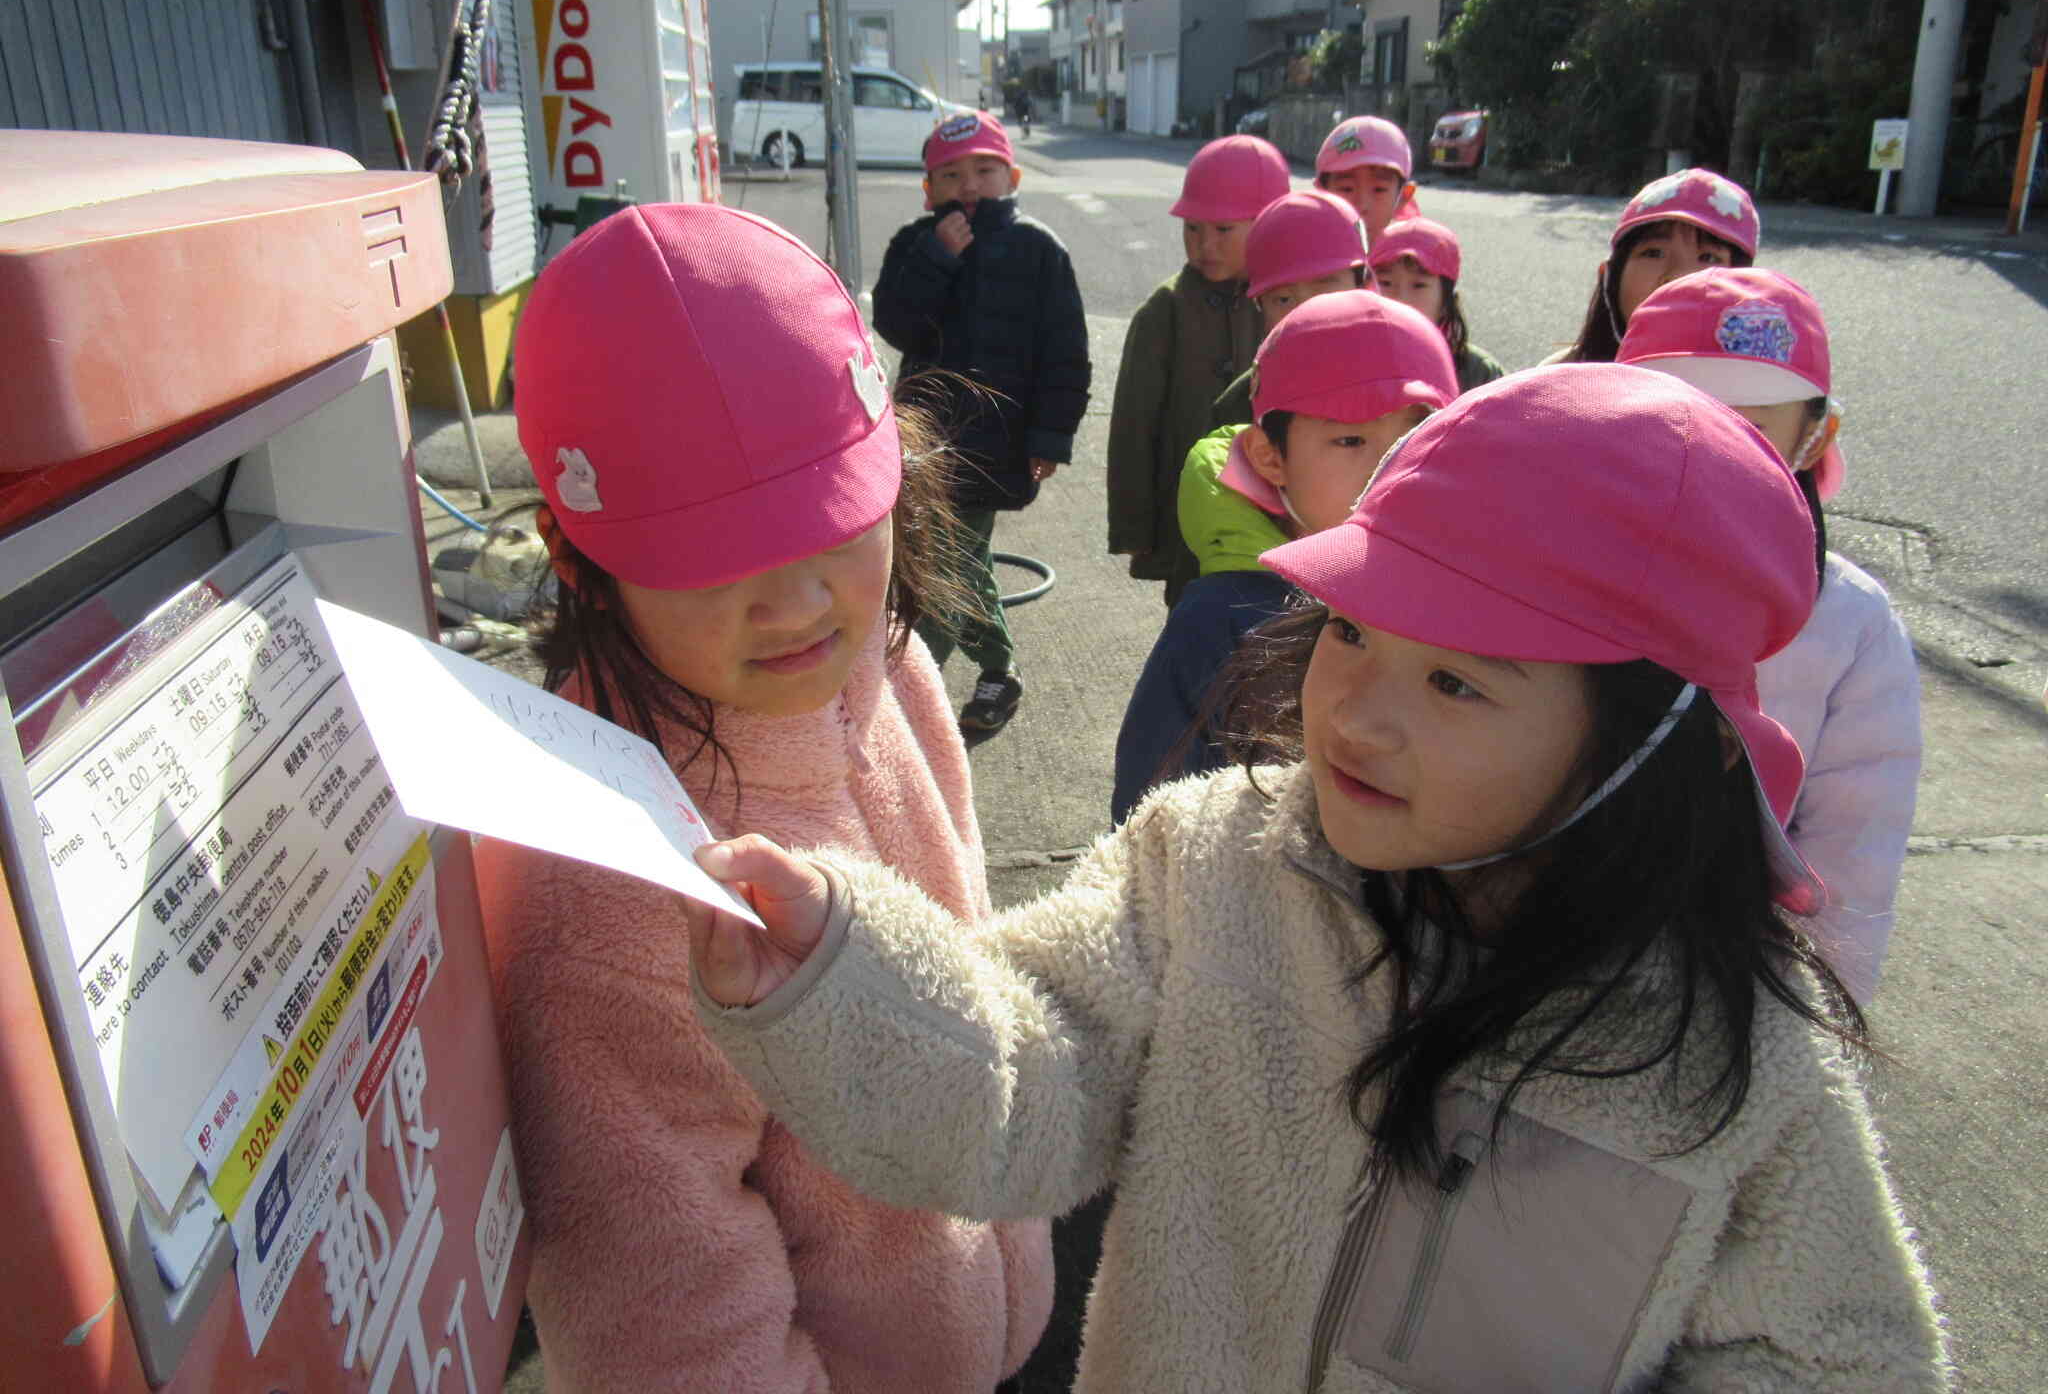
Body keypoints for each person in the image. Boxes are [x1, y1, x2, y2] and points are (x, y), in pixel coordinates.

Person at [680, 365, 1950, 1394]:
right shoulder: (1209, 867)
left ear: (1647, 740)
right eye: (1350, 629)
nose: (1353, 714)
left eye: (1455, 681)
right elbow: (1030, 1076)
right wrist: (840, 980)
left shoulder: (1729, 1058)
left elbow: (1840, 1354)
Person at [478, 203, 1054, 1393]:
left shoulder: (883, 664)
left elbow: (972, 943)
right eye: (707, 554)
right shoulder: (619, 879)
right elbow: (665, 1308)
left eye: (831, 519)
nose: (796, 604)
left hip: (989, 1308)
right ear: (578, 557)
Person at [1618, 267, 1920, 1003]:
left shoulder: (1853, 626)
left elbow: (1851, 866)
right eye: (1678, 422)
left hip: (1726, 992)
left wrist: (1812, 1031)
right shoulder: (1543, 564)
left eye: (1751, 433)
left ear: (1815, 438)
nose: (1709, 459)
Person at [1112, 291, 1458, 822]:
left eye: (1417, 435)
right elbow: (1153, 807)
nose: (1390, 466)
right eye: (1349, 440)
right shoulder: (1222, 615)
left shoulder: (1467, 596)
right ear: (1269, 456)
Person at [874, 109, 1091, 733]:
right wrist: (936, 259)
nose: (968, 186)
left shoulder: (1039, 249)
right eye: (950, 174)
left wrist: (1051, 437)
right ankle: (995, 668)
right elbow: (898, 324)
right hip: (926, 439)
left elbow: (1064, 353)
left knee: (948, 564)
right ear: (928, 189)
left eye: (984, 170)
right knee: (954, 558)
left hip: (1000, 440)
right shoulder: (914, 245)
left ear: (1012, 175)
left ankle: (922, 691)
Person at [1107, 133, 1291, 604]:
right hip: (1190, 513)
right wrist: (1135, 525)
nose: (1204, 244)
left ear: (1272, 223)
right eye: (1192, 228)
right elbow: (1134, 424)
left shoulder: (1293, 302)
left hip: (1282, 514)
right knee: (1193, 617)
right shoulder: (1165, 310)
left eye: (1223, 230)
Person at [1557, 167, 1759, 362]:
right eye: (1654, 253)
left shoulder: (1773, 390)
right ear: (1610, 277)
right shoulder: (1557, 383)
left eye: (1709, 258)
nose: (1679, 276)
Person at [1368, 216, 1504, 393]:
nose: (1400, 299)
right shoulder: (1351, 359)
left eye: (1418, 285)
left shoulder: (1479, 373)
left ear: (1446, 302)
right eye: (1385, 283)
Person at [1245, 187, 1374, 331]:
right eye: (1284, 300)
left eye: (1324, 297)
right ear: (1260, 306)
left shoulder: (1394, 348)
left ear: (1362, 284)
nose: (1307, 319)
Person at [1314, 113, 1419, 244]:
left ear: (1403, 196)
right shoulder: (1306, 253)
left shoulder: (1411, 260)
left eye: (1379, 189)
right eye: (1346, 189)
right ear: (1322, 194)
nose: (1362, 205)